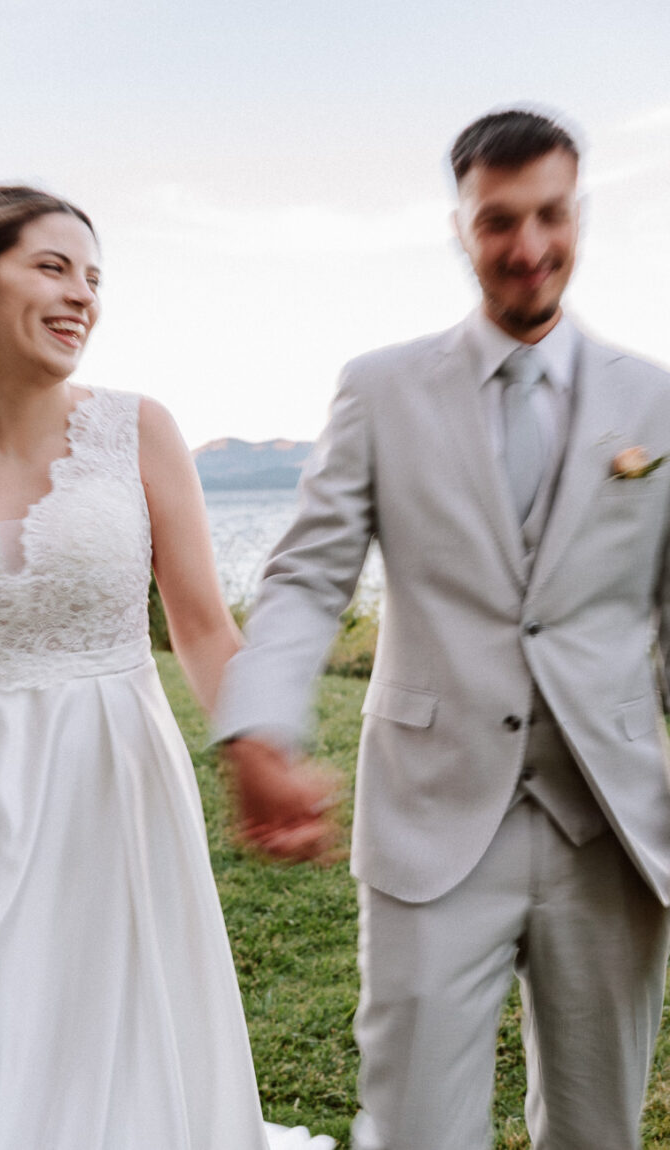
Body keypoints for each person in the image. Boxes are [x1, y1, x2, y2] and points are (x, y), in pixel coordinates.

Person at [216, 109, 670, 1149]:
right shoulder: (379, 389)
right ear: (461, 227)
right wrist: (260, 730)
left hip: (609, 828)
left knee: (602, 1130)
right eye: (497, 221)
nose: (527, 247)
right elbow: (303, 579)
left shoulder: (659, 400)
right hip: (429, 825)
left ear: (579, 212)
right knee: (416, 1127)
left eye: (549, 214)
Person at [0, 185, 335, 1149]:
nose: (81, 296)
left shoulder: (138, 429)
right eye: (52, 267)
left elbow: (204, 629)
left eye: (93, 278)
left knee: (107, 1041)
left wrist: (257, 750)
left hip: (109, 777)